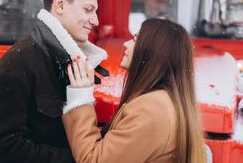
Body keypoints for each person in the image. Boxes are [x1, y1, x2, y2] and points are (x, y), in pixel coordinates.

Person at [0, 0, 107, 163]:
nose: (95, 20)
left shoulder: (67, 61)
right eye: (88, 10)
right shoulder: (20, 62)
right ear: (60, 4)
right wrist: (79, 159)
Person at [62, 18, 206, 163]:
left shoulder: (151, 109)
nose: (126, 44)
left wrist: (80, 100)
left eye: (135, 40)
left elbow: (94, 160)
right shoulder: (167, 103)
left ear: (153, 51)